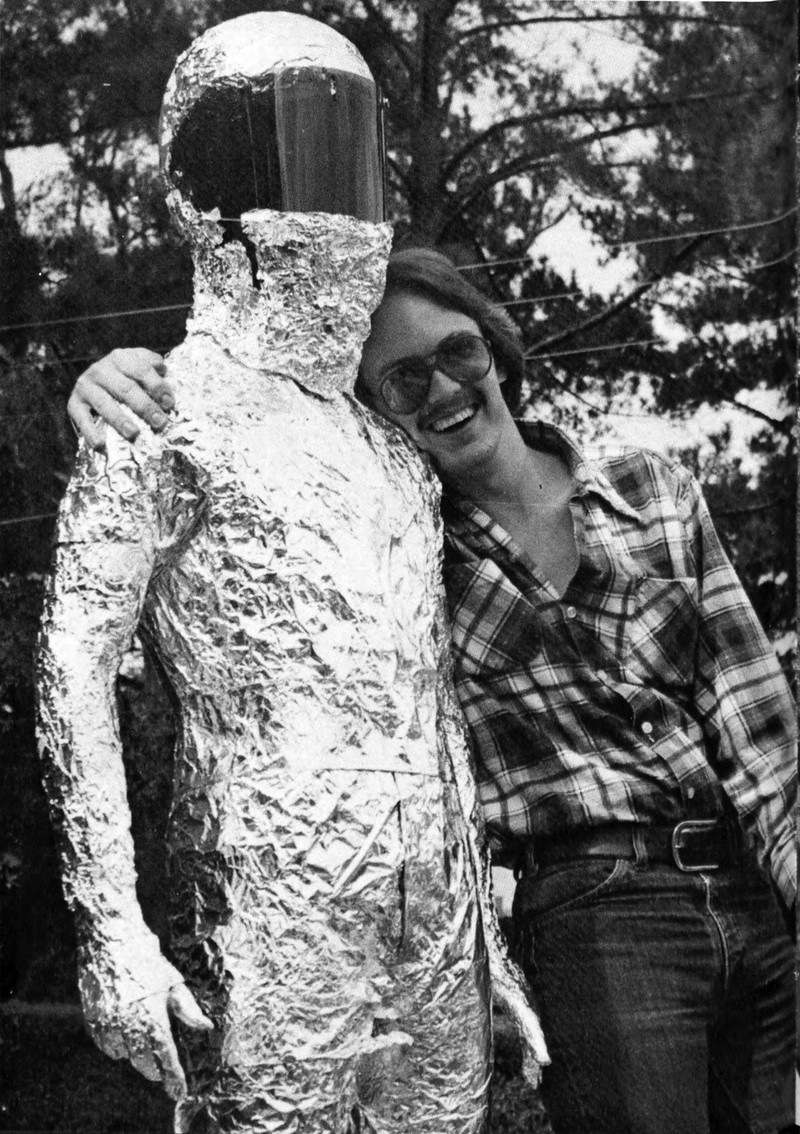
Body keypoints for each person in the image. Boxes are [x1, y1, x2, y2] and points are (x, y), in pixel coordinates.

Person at [69, 245, 796, 1134]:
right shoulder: (404, 558)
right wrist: (119, 379)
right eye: (404, 381)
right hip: (598, 917)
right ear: (374, 415)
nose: (445, 389)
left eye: (458, 352)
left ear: (496, 349)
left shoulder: (654, 490)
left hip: (749, 890)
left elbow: (758, 724)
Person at [38, 14, 549, 1134]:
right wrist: (111, 927)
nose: (334, 208)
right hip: (269, 913)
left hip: (433, 920)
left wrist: (487, 946)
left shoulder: (394, 455)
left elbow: (429, 700)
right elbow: (74, 669)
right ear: (205, 197)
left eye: (348, 154)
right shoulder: (156, 416)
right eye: (299, 154)